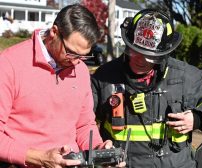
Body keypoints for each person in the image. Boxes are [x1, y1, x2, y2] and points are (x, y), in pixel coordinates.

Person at [91, 9, 202, 168]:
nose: (140, 60)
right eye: (134, 51)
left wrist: (198, 118)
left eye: (150, 56)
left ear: (163, 53)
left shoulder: (184, 76)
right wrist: (99, 149)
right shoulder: (104, 76)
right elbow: (83, 120)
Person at [0, 4, 123, 168]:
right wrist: (39, 157)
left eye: (83, 56)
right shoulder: (9, 64)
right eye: (71, 52)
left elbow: (84, 125)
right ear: (54, 32)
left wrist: (99, 151)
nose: (75, 61)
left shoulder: (80, 70)